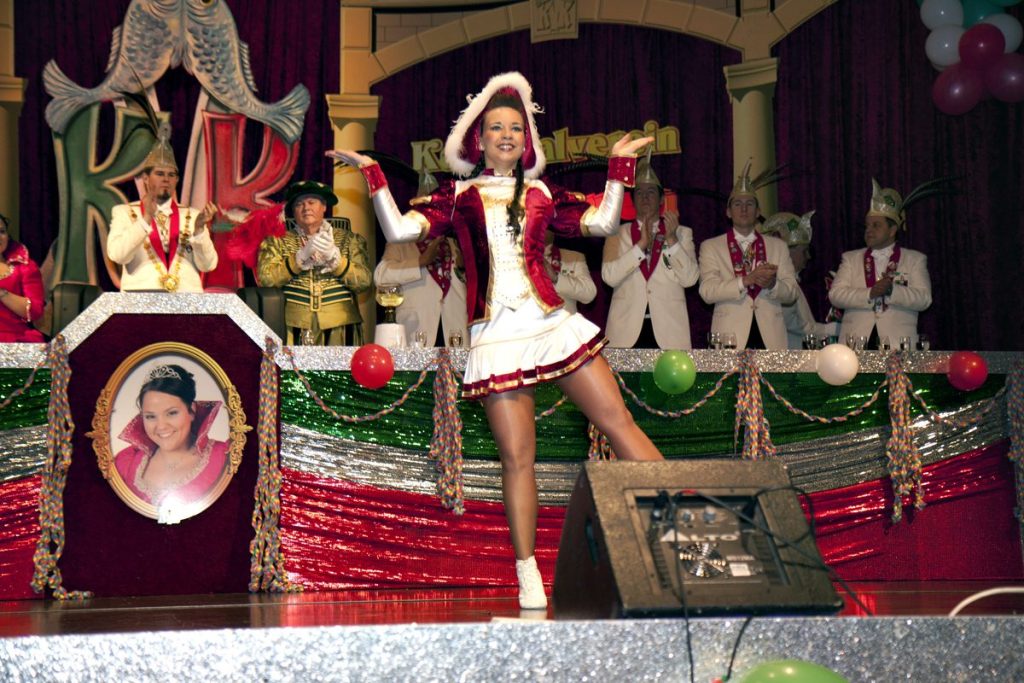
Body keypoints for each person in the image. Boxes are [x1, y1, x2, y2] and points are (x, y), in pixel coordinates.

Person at [328, 71, 663, 610]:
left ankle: (679, 531)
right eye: (496, 128)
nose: (506, 135)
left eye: (515, 128)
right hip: (497, 335)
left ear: (526, 141)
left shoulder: (543, 192)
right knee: (518, 459)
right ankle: (528, 572)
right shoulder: (457, 196)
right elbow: (399, 232)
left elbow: (602, 223)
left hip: (551, 324)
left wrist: (618, 168)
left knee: (619, 421)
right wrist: (374, 177)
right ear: (478, 140)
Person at [256, 180, 372, 345]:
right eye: (299, 204)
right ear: (293, 211)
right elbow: (265, 280)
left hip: (341, 326)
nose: (306, 208)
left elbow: (364, 282)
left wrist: (337, 261)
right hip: (293, 326)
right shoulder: (277, 241)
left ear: (324, 206)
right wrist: (298, 259)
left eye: (311, 202)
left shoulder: (349, 239)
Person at [107, 123, 219, 292]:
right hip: (140, 301)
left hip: (186, 301)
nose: (166, 179)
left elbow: (208, 265)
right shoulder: (124, 212)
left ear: (176, 180)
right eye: (159, 174)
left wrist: (198, 231)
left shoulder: (193, 215)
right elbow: (117, 255)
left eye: (171, 175)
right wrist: (145, 220)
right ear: (146, 178)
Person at [698, 161, 798, 349]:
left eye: (749, 204)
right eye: (737, 204)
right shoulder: (711, 246)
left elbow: (792, 293)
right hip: (730, 336)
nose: (744, 209)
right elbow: (707, 292)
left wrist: (772, 284)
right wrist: (745, 281)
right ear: (728, 212)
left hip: (770, 337)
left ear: (758, 211)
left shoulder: (778, 246)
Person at [602, 157, 699, 348]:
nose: (645, 197)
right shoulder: (616, 234)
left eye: (651, 192)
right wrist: (640, 247)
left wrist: (672, 240)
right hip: (625, 331)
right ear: (632, 199)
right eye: (639, 192)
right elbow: (609, 277)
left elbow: (690, 279)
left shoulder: (681, 233)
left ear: (662, 199)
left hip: (669, 332)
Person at [114, 364, 229, 522]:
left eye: (172, 413)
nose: (161, 426)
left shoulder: (225, 457)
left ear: (191, 411)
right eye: (150, 416)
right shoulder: (125, 463)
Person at [829, 179, 932, 349]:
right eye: (867, 226)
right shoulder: (851, 259)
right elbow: (835, 295)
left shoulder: (914, 259)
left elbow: (924, 299)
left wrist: (892, 291)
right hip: (856, 343)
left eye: (876, 225)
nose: (869, 230)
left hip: (898, 345)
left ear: (892, 230)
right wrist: (870, 293)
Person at [759, 211, 839, 349]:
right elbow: (792, 323)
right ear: (787, 252)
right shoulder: (774, 283)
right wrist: (832, 329)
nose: (808, 257)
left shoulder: (789, 281)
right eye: (804, 251)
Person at [374, 235, 468, 346]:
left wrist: (465, 268)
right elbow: (380, 276)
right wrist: (420, 261)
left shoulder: (457, 241)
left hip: (456, 333)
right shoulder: (401, 243)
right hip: (417, 332)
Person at [0, 213, 45, 342]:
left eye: (2, 231)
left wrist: (2, 293)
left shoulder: (24, 267)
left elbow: (35, 311)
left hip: (14, 340)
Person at [544, 231, 596, 315]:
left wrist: (556, 279)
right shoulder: (521, 259)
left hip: (563, 321)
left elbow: (589, 293)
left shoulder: (573, 257)